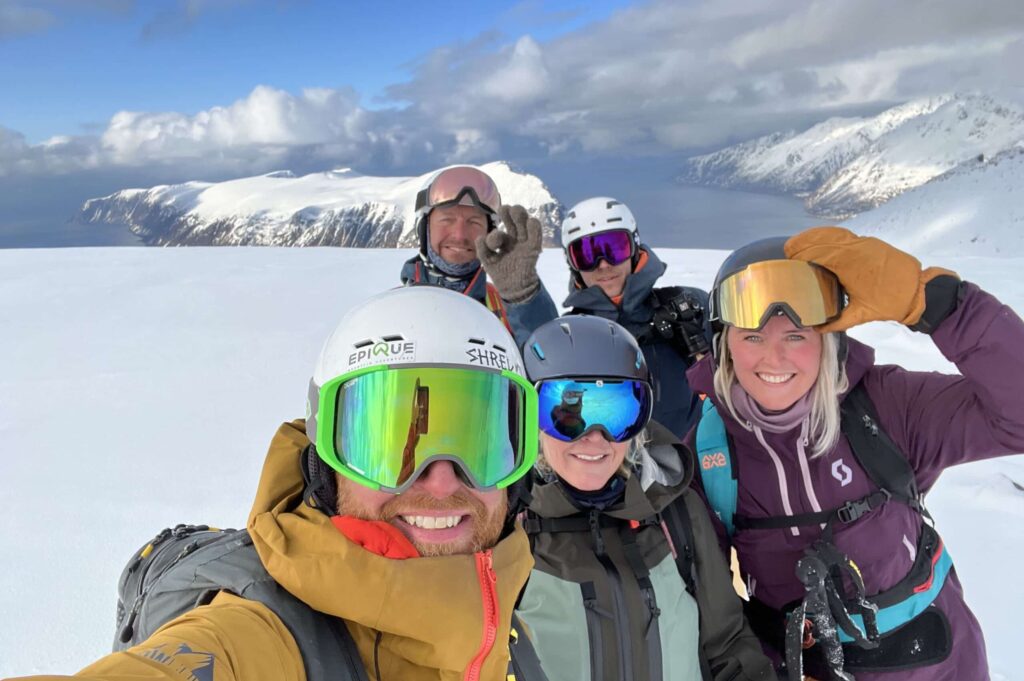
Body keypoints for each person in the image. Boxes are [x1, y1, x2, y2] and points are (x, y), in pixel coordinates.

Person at [10, 287, 547, 681]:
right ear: (325, 465)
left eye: (481, 441)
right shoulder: (260, 635)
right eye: (389, 447)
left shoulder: (503, 619)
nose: (440, 478)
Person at [686, 227, 1024, 680]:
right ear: (723, 345)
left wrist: (940, 306)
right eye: (752, 337)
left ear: (829, 341)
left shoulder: (887, 407)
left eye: (796, 335)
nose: (774, 359)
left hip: (934, 665)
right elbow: (696, 596)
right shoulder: (710, 450)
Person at [514, 314, 775, 681]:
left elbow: (728, 646)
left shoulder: (673, 513)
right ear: (529, 415)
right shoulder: (505, 529)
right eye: (567, 414)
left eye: (618, 412)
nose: (596, 436)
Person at [478, 197, 709, 439]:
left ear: (635, 246)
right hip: (607, 467)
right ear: (573, 265)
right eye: (586, 254)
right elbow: (542, 373)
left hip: (693, 467)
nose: (603, 265)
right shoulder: (574, 336)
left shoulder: (688, 310)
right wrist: (524, 297)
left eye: (615, 248)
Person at [401, 164, 557, 348]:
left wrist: (525, 300)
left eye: (474, 222)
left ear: (490, 232)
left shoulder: (505, 307)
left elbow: (551, 358)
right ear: (424, 229)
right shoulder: (393, 308)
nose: (459, 235)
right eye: (447, 219)